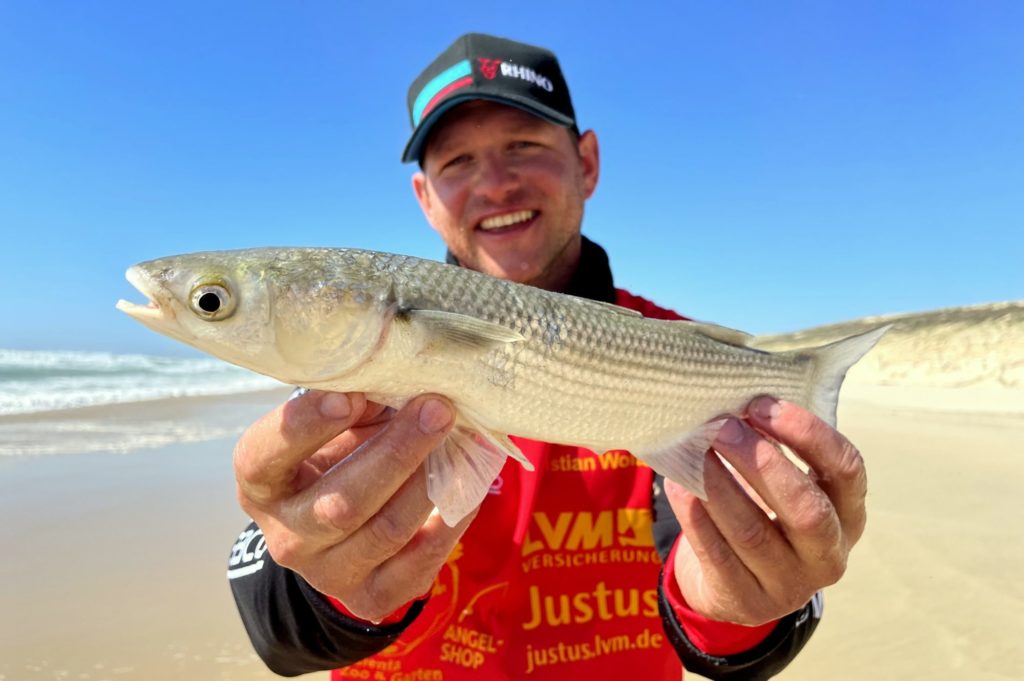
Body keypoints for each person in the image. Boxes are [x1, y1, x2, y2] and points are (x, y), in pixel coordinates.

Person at [227, 33, 866, 680]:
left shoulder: (683, 360)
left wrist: (740, 606)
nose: (496, 184)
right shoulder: (363, 351)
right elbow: (275, 627)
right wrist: (323, 576)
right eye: (457, 162)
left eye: (524, 147)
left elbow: (715, 594)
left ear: (587, 161)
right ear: (423, 197)